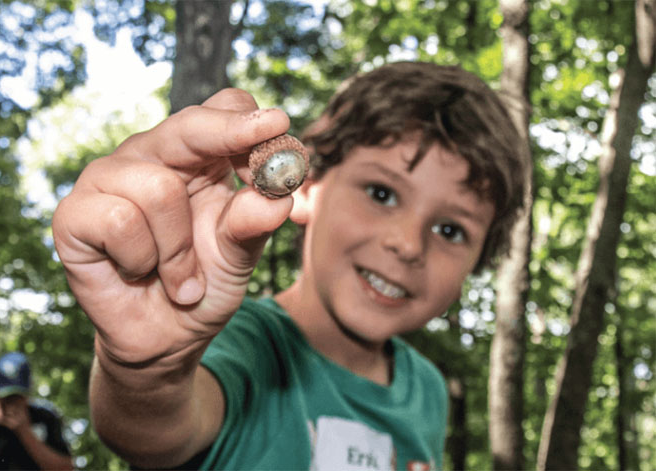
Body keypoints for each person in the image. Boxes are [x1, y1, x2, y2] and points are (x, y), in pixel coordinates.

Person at [52, 61, 525, 470]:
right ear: (307, 187)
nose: (407, 244)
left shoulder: (427, 389)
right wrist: (149, 371)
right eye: (381, 194)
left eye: (450, 230)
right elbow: (155, 431)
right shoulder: (242, 345)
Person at [0, 352, 73, 470]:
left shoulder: (44, 417)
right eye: (7, 397)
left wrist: (24, 431)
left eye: (17, 397)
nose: (12, 404)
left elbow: (66, 468)